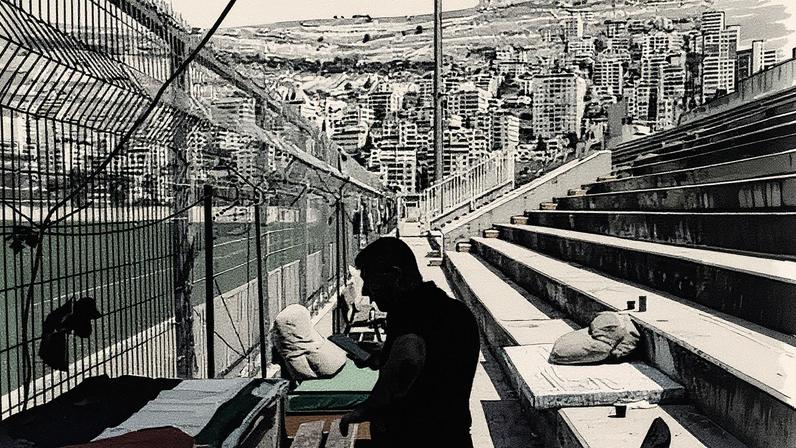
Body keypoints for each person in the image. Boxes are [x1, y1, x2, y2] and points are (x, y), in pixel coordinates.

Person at [339, 237, 480, 447]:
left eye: (369, 280)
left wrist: (367, 408)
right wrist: (382, 355)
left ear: (395, 275)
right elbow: (432, 362)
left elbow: (408, 359)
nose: (366, 291)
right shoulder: (452, 310)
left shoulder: (411, 316)